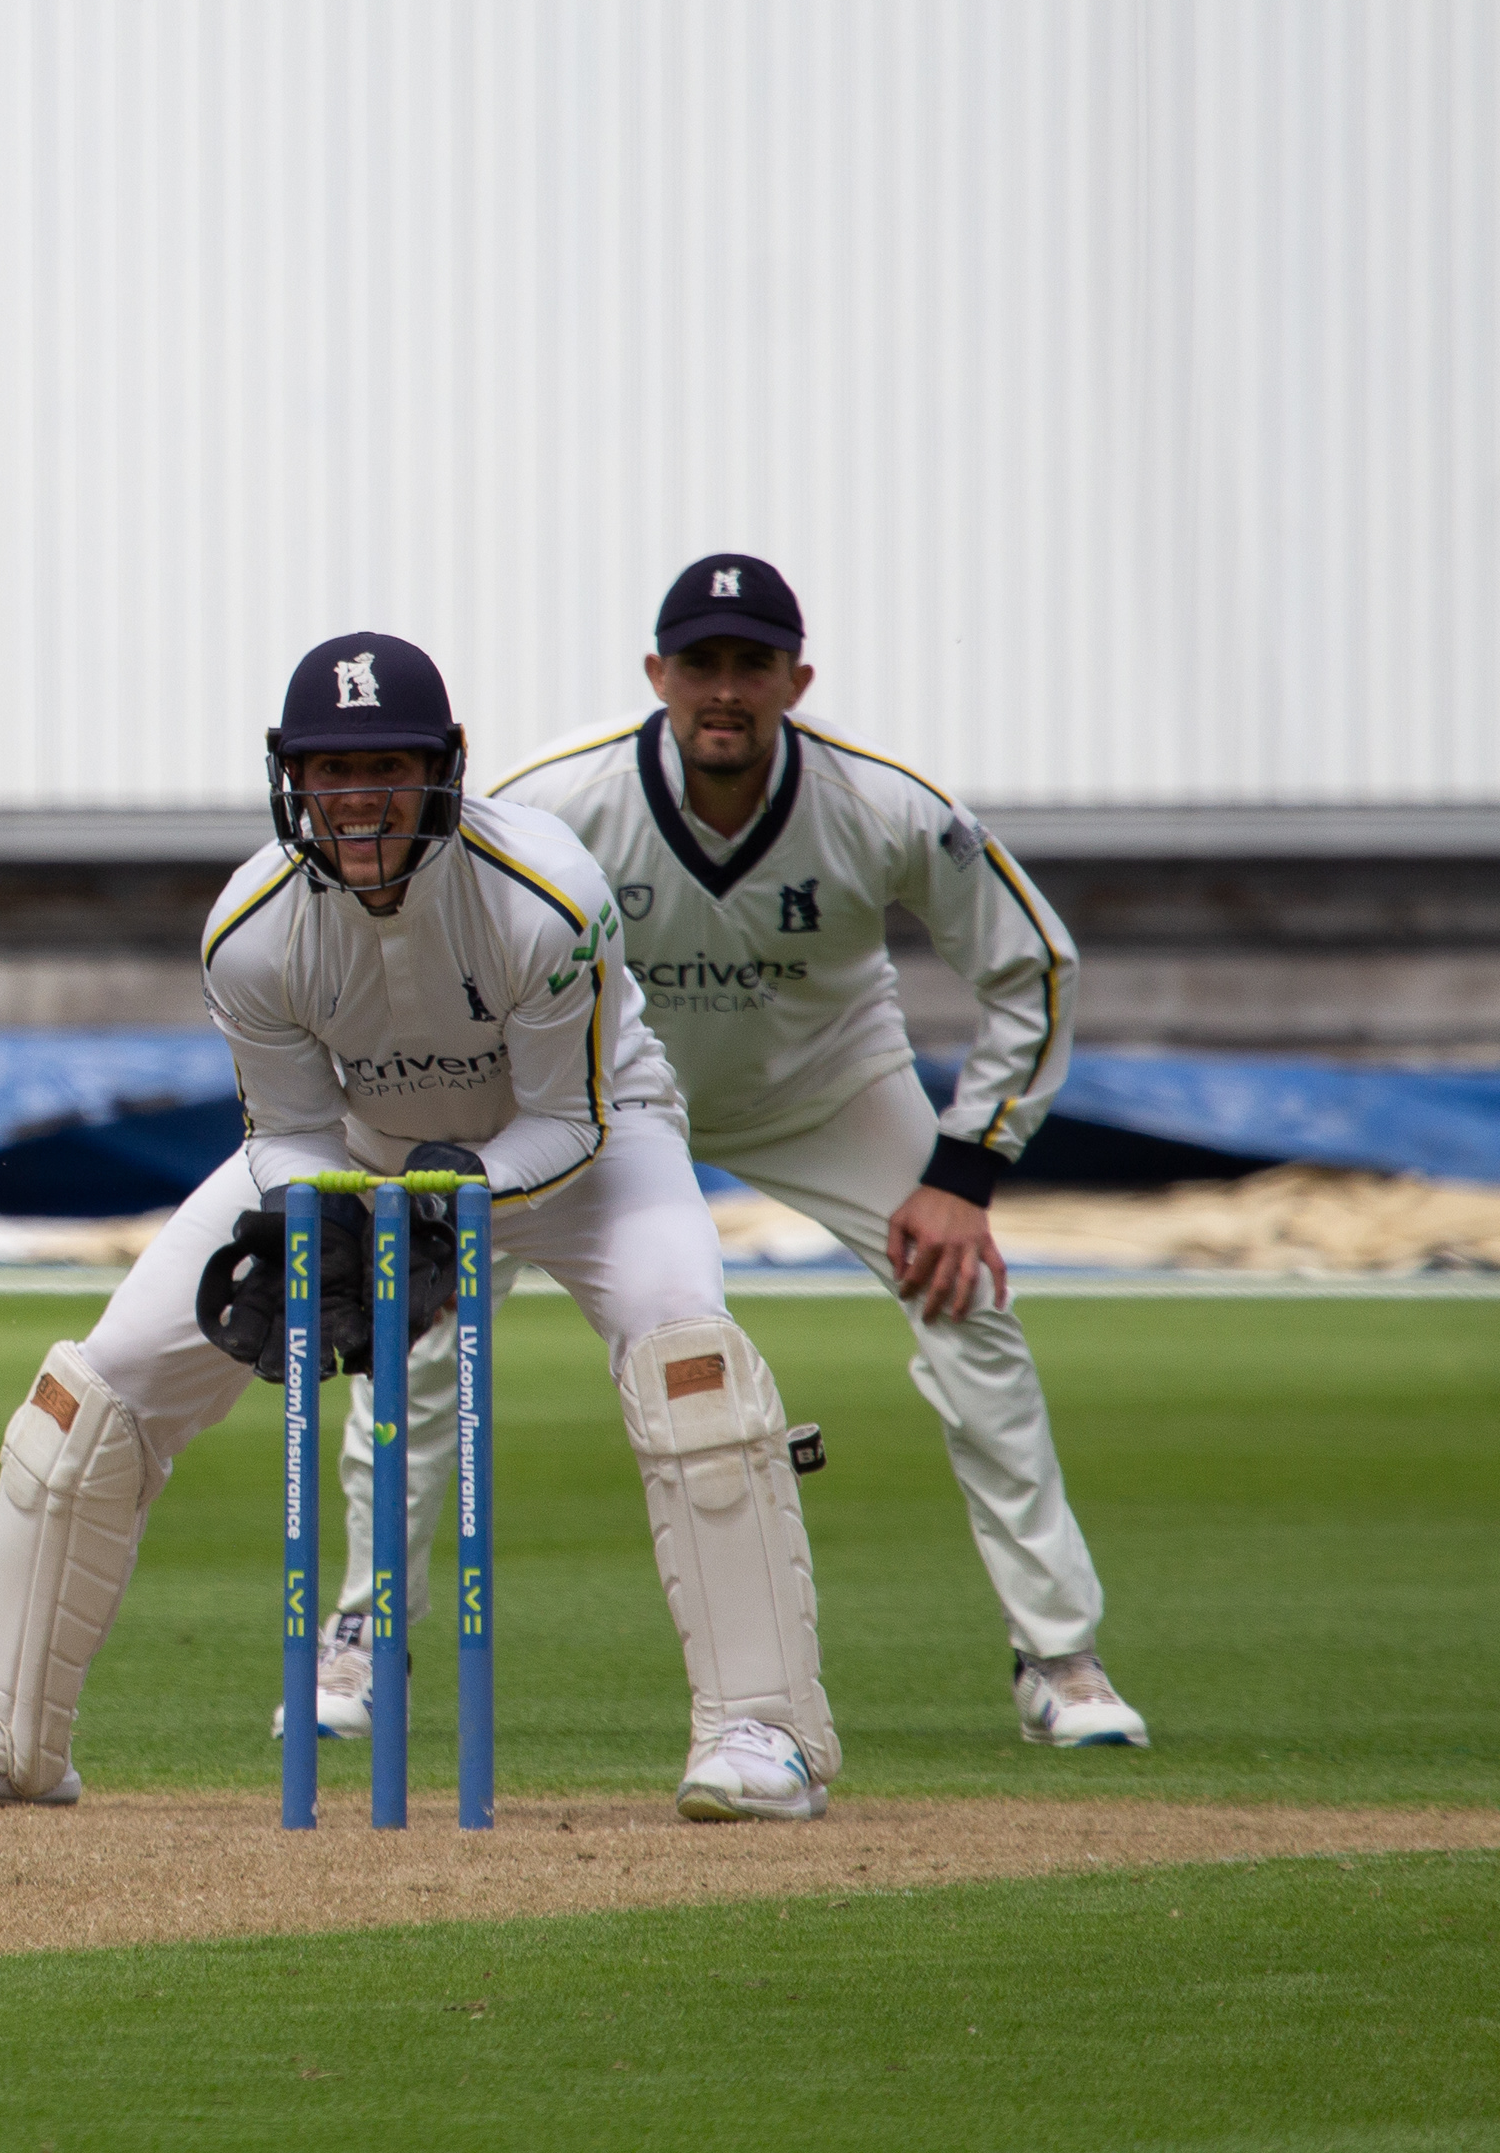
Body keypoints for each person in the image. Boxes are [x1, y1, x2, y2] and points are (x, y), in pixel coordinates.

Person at [0, 633, 842, 1823]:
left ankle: (762, 1731)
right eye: (329, 771)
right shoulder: (252, 929)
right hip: (365, 1155)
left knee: (694, 1367)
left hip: (588, 1148)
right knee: (96, 1391)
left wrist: (435, 1203)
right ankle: (2, 1730)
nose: (356, 797)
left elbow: (567, 1117)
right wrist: (313, 1220)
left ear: (447, 768)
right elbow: (283, 1127)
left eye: (386, 765)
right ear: (292, 780)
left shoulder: (545, 897)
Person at [441, 552, 1140, 1747]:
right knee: (424, 1312)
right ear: (656, 674)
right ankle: (358, 1632)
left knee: (970, 1311)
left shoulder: (887, 804)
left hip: (827, 1088)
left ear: (796, 678)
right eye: (700, 664)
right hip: (600, 1101)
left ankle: (1060, 1657)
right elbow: (447, 936)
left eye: (752, 665)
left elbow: (1034, 965)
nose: (726, 690)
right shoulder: (557, 797)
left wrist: (965, 1173)